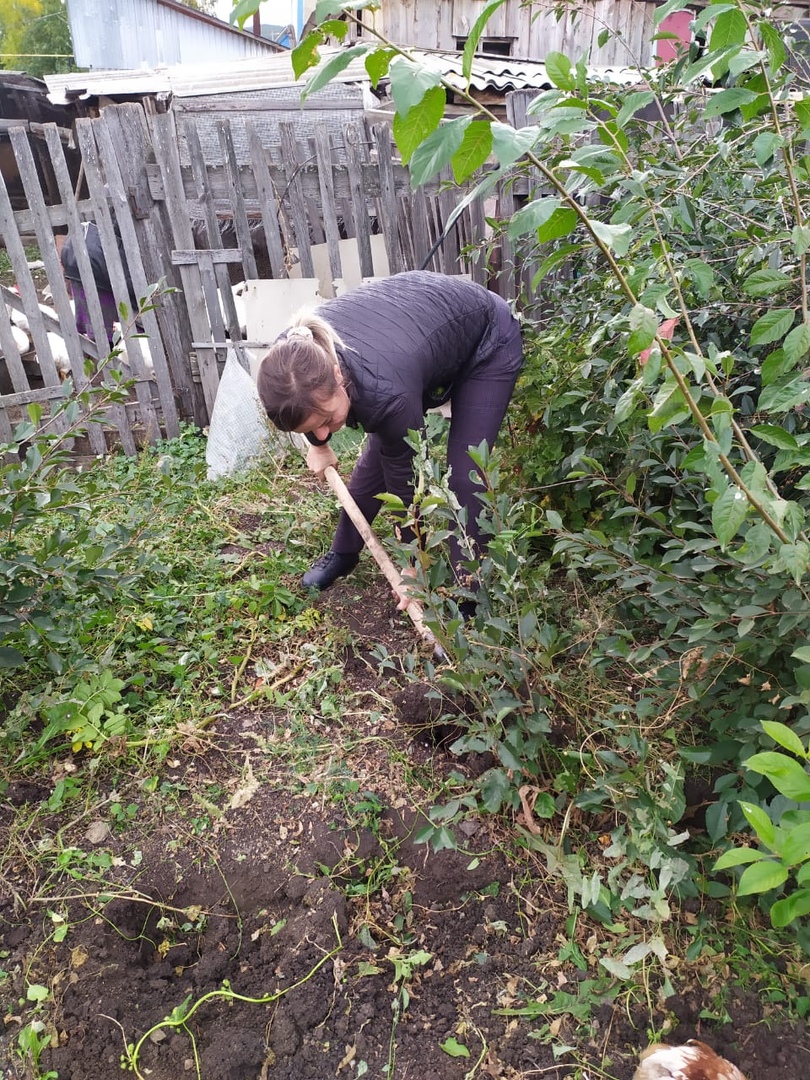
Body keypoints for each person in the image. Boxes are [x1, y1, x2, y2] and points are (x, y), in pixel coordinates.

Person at [256, 270, 524, 594]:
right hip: (410, 337)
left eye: (326, 420)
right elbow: (309, 409)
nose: (324, 431)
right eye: (313, 428)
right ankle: (344, 553)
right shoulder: (289, 361)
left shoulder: (385, 393)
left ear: (337, 375)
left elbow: (406, 485)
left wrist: (412, 564)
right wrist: (318, 445)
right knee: (382, 451)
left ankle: (469, 592)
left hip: (486, 337)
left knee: (466, 474)